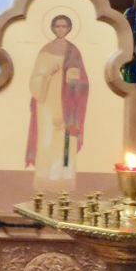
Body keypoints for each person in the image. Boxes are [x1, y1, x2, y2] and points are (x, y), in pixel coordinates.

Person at [26, 14, 89, 191]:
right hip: (46, 101)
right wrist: (47, 75)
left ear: (69, 29)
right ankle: (44, 177)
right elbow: (35, 78)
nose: (61, 30)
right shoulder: (45, 50)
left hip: (67, 103)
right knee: (46, 139)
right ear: (53, 28)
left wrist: (74, 80)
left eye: (64, 27)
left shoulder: (73, 51)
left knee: (65, 140)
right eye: (58, 26)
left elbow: (82, 80)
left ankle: (64, 178)